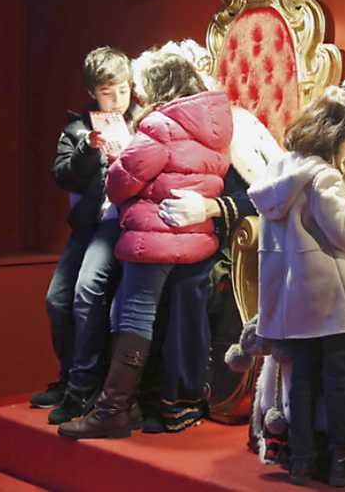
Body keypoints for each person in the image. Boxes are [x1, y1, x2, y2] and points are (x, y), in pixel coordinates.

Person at [58, 53, 233, 440]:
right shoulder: (215, 122)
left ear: (160, 86)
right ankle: (129, 404)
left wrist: (117, 158)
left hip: (152, 234)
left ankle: (112, 410)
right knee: (128, 310)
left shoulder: (159, 124)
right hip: (193, 235)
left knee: (132, 316)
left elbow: (120, 184)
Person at [130, 39, 284, 433]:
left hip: (227, 237)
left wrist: (213, 209)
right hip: (168, 233)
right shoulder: (158, 128)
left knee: (188, 282)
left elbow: (271, 193)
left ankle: (180, 397)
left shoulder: (234, 127)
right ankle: (132, 394)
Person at [248, 85, 345, 487]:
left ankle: (301, 458)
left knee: (301, 380)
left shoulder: (281, 171)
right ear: (337, 134)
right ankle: (340, 459)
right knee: (339, 380)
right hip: (330, 299)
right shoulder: (324, 177)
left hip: (294, 299)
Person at [36, 46, 138, 425]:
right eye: (108, 92)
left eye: (124, 90)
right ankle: (68, 379)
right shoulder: (78, 128)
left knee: (87, 291)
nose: (117, 100)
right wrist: (88, 149)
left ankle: (83, 389)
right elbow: (62, 175)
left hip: (118, 225)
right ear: (93, 92)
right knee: (56, 300)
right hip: (86, 225)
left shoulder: (143, 122)